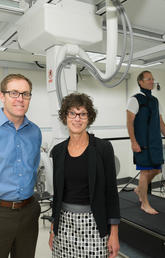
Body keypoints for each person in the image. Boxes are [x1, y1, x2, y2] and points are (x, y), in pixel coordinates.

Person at [49, 93, 120, 258]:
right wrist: (54, 228)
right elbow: (57, 194)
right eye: (72, 113)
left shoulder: (103, 148)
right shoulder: (58, 151)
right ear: (65, 117)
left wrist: (114, 233)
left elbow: (111, 193)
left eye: (82, 114)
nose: (77, 119)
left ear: (89, 118)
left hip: (94, 223)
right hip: (64, 224)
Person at [0, 74, 42, 258]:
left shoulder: (35, 131)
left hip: (28, 212)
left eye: (25, 94)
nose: (20, 99)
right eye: (14, 93)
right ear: (2, 96)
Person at [127, 70, 165, 215]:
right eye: (149, 79)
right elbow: (129, 123)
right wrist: (133, 142)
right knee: (144, 172)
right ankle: (145, 204)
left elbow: (161, 123)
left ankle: (139, 190)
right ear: (141, 82)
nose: (152, 81)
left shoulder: (155, 101)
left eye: (152, 79)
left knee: (156, 169)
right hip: (142, 142)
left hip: (155, 142)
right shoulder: (135, 99)